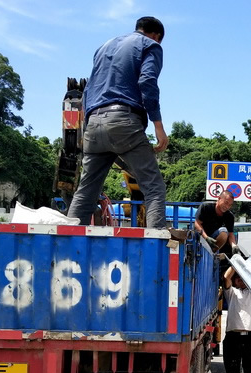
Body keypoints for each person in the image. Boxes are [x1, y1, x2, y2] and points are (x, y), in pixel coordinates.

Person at [67, 16, 169, 229]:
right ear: (156, 36)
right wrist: (159, 127)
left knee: (86, 191)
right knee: (154, 187)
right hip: (124, 121)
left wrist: (88, 124)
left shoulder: (104, 47)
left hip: (93, 123)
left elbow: (89, 88)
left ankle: (68, 247)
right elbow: (148, 81)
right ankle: (155, 249)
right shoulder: (151, 46)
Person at [195, 191, 239, 257]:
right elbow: (197, 224)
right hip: (200, 238)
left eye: (230, 205)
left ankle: (212, 254)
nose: (227, 206)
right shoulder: (206, 207)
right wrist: (206, 238)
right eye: (226, 203)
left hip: (214, 241)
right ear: (219, 199)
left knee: (224, 231)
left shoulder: (229, 216)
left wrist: (234, 245)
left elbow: (230, 234)